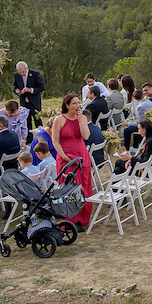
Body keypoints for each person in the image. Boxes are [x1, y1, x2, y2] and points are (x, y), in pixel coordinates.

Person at [49, 94, 94, 232]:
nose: (77, 106)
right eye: (74, 103)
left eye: (78, 103)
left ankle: (82, 220)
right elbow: (55, 141)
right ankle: (70, 220)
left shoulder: (82, 118)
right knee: (68, 188)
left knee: (84, 187)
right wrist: (64, 157)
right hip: (65, 156)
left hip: (81, 155)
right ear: (67, 105)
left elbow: (86, 136)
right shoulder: (59, 119)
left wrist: (81, 120)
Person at [12, 62, 44, 131]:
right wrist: (18, 91)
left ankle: (41, 137)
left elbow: (41, 87)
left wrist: (30, 90)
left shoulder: (35, 74)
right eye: (20, 72)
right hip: (24, 101)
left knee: (37, 119)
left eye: (23, 72)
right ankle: (28, 138)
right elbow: (15, 88)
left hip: (34, 100)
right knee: (26, 120)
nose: (21, 74)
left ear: (27, 68)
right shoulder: (16, 75)